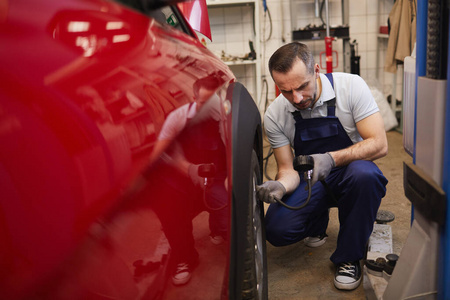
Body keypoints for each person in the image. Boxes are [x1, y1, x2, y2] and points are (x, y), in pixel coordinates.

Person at [257, 42, 388, 291]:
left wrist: (330, 159)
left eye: (302, 86)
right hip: (310, 178)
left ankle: (349, 256)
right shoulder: (275, 114)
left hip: (351, 172)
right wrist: (280, 186)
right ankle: (317, 222)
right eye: (286, 91)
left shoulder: (351, 87)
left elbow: (380, 144)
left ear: (316, 70)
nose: (296, 98)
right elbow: (286, 168)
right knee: (276, 229)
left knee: (365, 176)